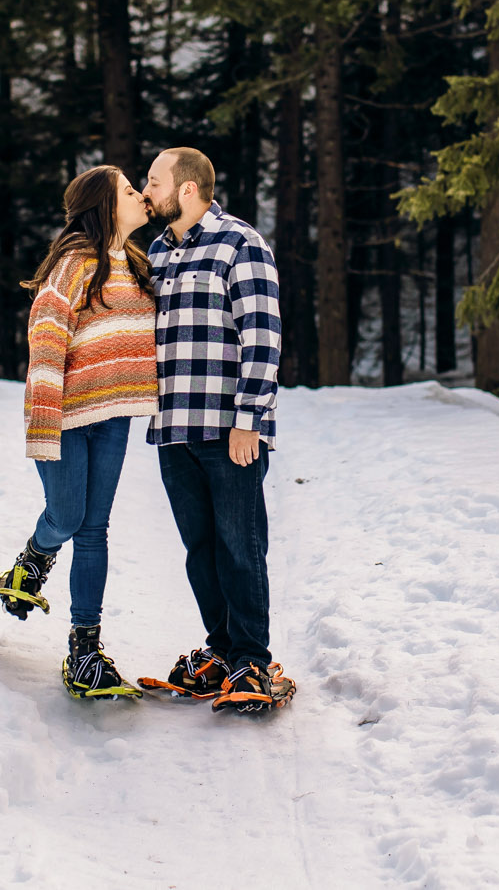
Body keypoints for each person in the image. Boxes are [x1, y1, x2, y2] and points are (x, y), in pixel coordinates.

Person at [0, 165, 157, 700]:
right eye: (131, 190)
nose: (141, 196)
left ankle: (85, 649)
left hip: (114, 417)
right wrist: (43, 421)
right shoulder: (75, 263)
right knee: (67, 516)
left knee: (94, 530)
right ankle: (34, 558)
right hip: (66, 415)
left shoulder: (140, 263)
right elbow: (46, 337)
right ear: (105, 205)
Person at [136, 147, 295, 715]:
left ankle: (252, 658)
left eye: (152, 180)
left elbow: (263, 335)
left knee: (240, 545)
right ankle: (223, 652)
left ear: (185, 189)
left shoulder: (240, 243)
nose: (144, 189)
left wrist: (250, 418)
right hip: (173, 428)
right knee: (199, 549)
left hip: (230, 430)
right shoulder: (156, 252)